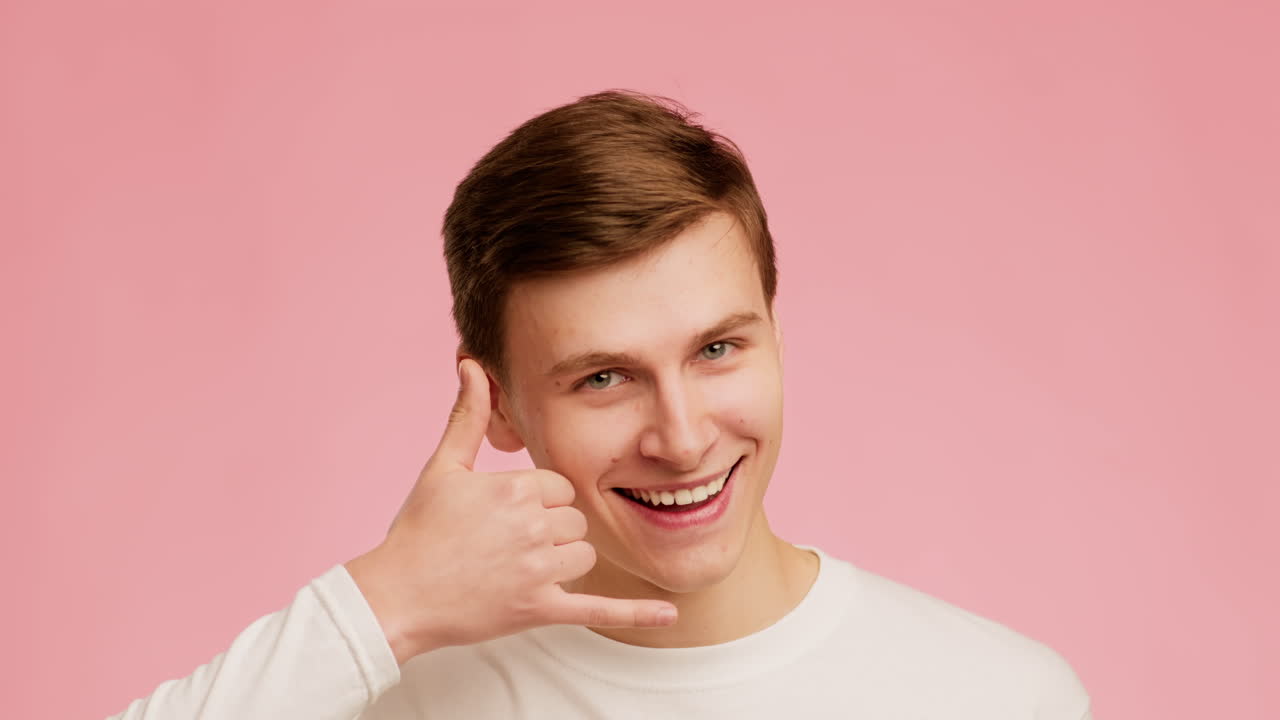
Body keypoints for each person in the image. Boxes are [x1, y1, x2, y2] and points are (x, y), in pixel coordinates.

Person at [109, 90, 1092, 719]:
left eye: (716, 349)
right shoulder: (393, 701)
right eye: (602, 378)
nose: (681, 435)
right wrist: (381, 607)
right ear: (497, 407)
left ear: (774, 339)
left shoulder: (997, 697)